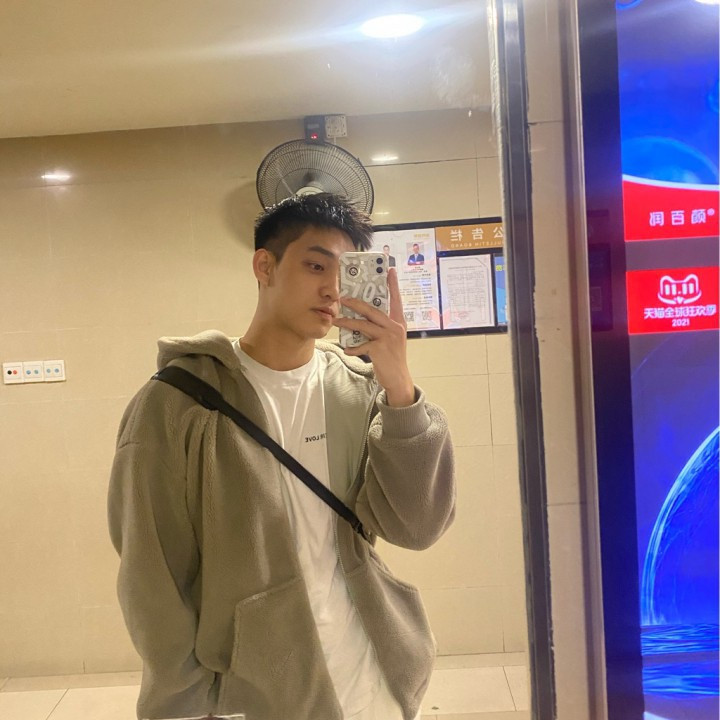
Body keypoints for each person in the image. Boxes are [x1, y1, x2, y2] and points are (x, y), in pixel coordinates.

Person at [108, 193, 455, 720]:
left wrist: (400, 387)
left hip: (374, 679)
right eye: (316, 265)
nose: (333, 289)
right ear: (264, 266)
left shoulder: (361, 390)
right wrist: (183, 704)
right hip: (257, 694)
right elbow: (152, 574)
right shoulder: (177, 402)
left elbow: (416, 527)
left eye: (346, 271)